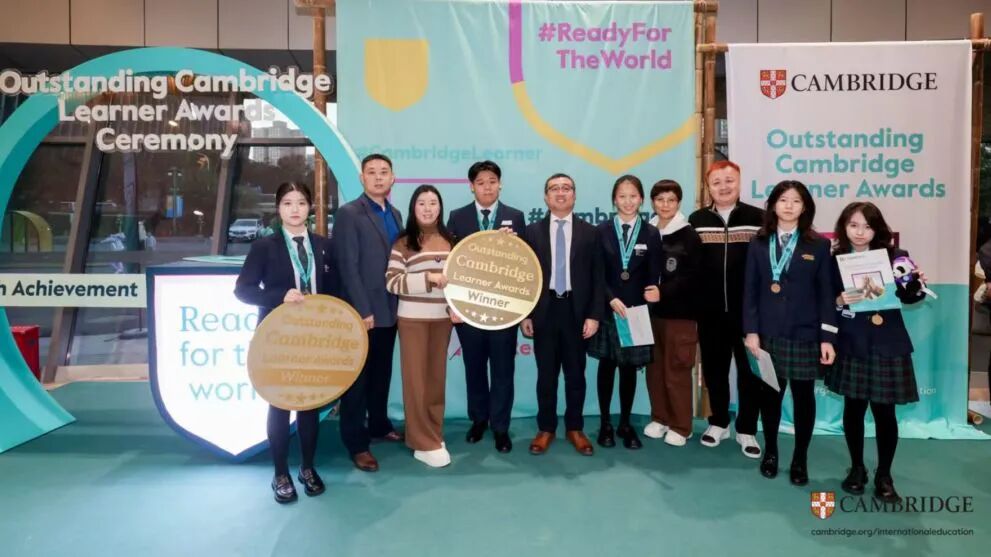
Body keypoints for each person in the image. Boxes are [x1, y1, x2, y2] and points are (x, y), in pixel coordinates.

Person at [234, 182, 331, 504]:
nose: (295, 209)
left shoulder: (324, 245)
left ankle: (307, 468)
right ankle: (280, 473)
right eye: (288, 203)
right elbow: (243, 290)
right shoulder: (265, 246)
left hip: (315, 336)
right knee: (279, 403)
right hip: (277, 337)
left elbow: (335, 290)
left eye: (301, 202)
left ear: (310, 207)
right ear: (278, 208)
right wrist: (278, 296)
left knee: (309, 403)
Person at [827, 202, 927, 503]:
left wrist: (916, 284)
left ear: (877, 229)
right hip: (852, 342)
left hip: (887, 343)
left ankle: (885, 474)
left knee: (885, 413)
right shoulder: (834, 260)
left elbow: (912, 297)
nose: (860, 232)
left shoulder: (897, 256)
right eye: (853, 225)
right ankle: (857, 468)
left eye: (867, 226)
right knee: (853, 409)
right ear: (844, 227)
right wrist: (840, 300)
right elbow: (827, 301)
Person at [743, 180, 836, 485]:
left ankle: (800, 458)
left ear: (805, 207)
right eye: (783, 200)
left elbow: (826, 294)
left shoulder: (818, 245)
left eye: (796, 201)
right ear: (773, 205)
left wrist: (827, 337)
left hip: (805, 335)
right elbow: (750, 291)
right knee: (770, 396)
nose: (789, 206)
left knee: (804, 398)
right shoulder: (759, 242)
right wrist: (751, 332)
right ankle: (771, 452)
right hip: (768, 334)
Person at [521, 173, 604, 456]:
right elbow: (524, 277)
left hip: (576, 312)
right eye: (554, 188)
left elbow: (598, 277)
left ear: (574, 195)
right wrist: (526, 314)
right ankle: (546, 428)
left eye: (566, 188)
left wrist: (594, 315)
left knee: (575, 374)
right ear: (546, 197)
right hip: (543, 311)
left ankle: (575, 428)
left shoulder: (590, 232)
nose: (560, 192)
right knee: (546, 375)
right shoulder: (531, 232)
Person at [446, 161, 526, 453]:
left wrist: (514, 246)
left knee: (503, 370)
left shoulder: (515, 217)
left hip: (504, 309)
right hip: (469, 310)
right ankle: (479, 420)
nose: (487, 187)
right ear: (472, 187)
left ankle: (501, 427)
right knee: (475, 368)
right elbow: (450, 265)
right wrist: (452, 305)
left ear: (500, 184)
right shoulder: (457, 217)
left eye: (492, 181)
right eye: (481, 182)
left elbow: (525, 267)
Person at [688, 161, 765, 458]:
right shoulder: (697, 220)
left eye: (729, 180)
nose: (723, 187)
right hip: (710, 313)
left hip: (748, 314)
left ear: (739, 182)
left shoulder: (758, 219)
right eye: (717, 182)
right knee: (715, 370)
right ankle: (718, 422)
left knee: (750, 373)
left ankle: (747, 429)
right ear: (709, 187)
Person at [333, 153, 404, 473]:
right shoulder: (349, 213)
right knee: (358, 381)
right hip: (363, 311)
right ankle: (357, 443)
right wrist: (362, 309)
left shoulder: (396, 214)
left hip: (391, 309)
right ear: (362, 178)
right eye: (371, 172)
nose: (378, 177)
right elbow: (347, 265)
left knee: (381, 373)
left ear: (392, 178)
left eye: (383, 172)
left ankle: (379, 425)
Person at [588, 175, 662, 450]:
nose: (628, 201)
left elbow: (653, 277)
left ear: (641, 199)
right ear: (614, 200)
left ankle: (625, 423)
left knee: (629, 370)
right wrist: (610, 299)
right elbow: (597, 273)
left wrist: (647, 304)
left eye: (633, 196)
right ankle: (606, 423)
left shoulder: (651, 233)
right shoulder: (601, 231)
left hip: (636, 313)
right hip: (610, 310)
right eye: (622, 196)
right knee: (607, 367)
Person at [385, 185, 456, 468]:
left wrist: (456, 308)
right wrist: (428, 278)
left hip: (442, 320)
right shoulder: (403, 243)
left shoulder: (451, 241)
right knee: (416, 382)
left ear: (440, 207)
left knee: (436, 380)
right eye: (422, 203)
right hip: (412, 320)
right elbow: (392, 282)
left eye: (433, 203)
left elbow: (461, 282)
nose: (428, 208)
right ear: (413, 208)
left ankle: (433, 434)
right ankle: (420, 441)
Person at [643, 179, 702, 447]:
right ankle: (660, 417)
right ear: (652, 202)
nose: (665, 205)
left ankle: (681, 425)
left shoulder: (688, 235)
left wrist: (663, 291)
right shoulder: (647, 231)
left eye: (671, 200)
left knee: (676, 371)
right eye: (660, 200)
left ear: (679, 203)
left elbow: (693, 277)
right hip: (650, 314)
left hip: (680, 315)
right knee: (655, 370)